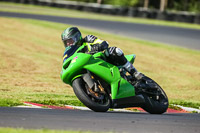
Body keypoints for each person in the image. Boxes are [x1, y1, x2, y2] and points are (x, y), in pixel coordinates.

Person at [61, 27, 144, 80]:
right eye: (66, 43)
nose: (68, 44)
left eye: (70, 41)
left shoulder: (88, 39)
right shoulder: (72, 51)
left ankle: (134, 72)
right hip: (89, 66)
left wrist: (98, 47)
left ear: (77, 37)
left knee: (114, 51)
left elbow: (104, 43)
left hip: (103, 60)